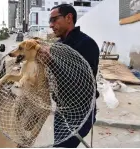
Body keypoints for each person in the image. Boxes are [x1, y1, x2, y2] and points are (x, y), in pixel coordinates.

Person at [37, 4, 100, 148]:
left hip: (81, 112)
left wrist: (51, 63)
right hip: (62, 109)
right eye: (50, 22)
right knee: (59, 144)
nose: (51, 25)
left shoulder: (86, 44)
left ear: (69, 18)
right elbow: (54, 77)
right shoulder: (58, 45)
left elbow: (81, 81)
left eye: (54, 20)